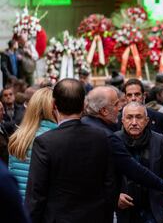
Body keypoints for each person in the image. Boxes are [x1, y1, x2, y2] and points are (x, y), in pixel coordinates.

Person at [25, 78, 116, 223]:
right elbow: (110, 185)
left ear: (53, 105)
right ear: (84, 105)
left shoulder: (45, 142)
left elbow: (36, 194)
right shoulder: (102, 137)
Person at [81, 86, 163, 196]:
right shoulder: (107, 136)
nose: (120, 108)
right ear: (104, 111)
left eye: (139, 117)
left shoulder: (83, 124)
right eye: (116, 104)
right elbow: (132, 169)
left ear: (147, 120)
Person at [116, 102, 163, 223]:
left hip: (152, 208)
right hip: (124, 208)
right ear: (122, 120)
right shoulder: (114, 140)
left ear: (147, 120)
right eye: (129, 117)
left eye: (138, 117)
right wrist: (116, 196)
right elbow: (106, 177)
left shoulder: (159, 140)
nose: (133, 122)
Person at [8, 88, 57, 198]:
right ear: (54, 108)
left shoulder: (17, 137)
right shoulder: (56, 137)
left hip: (20, 204)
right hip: (40, 207)